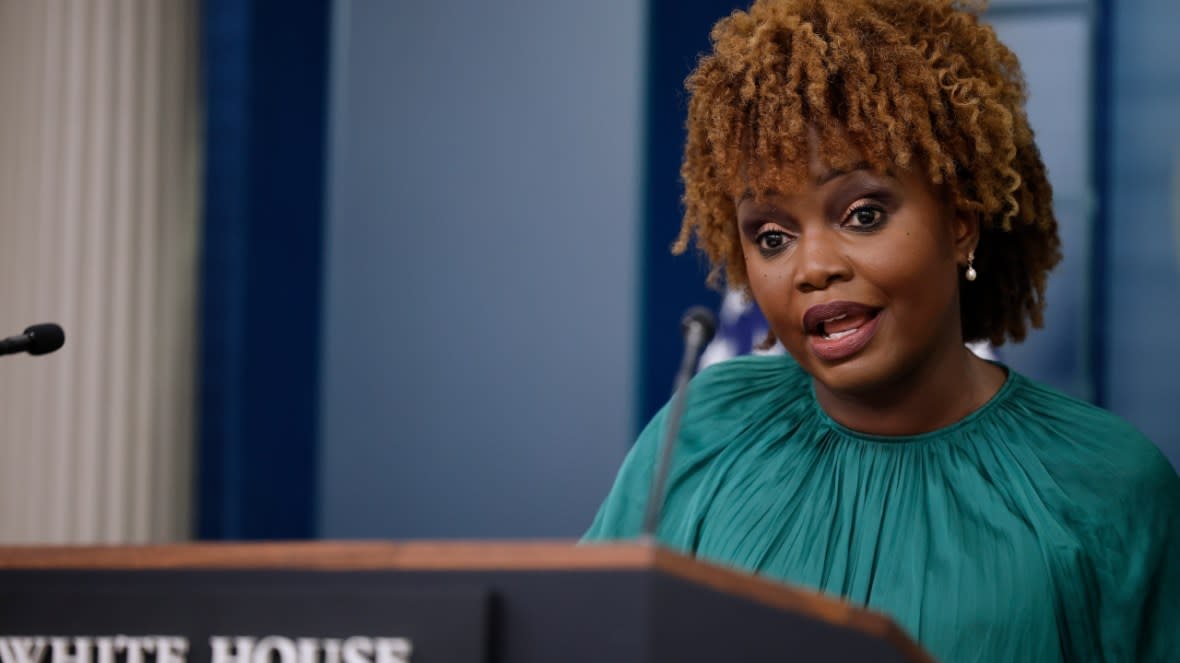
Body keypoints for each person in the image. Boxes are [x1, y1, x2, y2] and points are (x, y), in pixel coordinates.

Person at [583, 1, 1180, 660]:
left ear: (961, 222)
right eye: (772, 235)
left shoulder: (1108, 484)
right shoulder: (699, 434)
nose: (812, 267)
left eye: (864, 214)